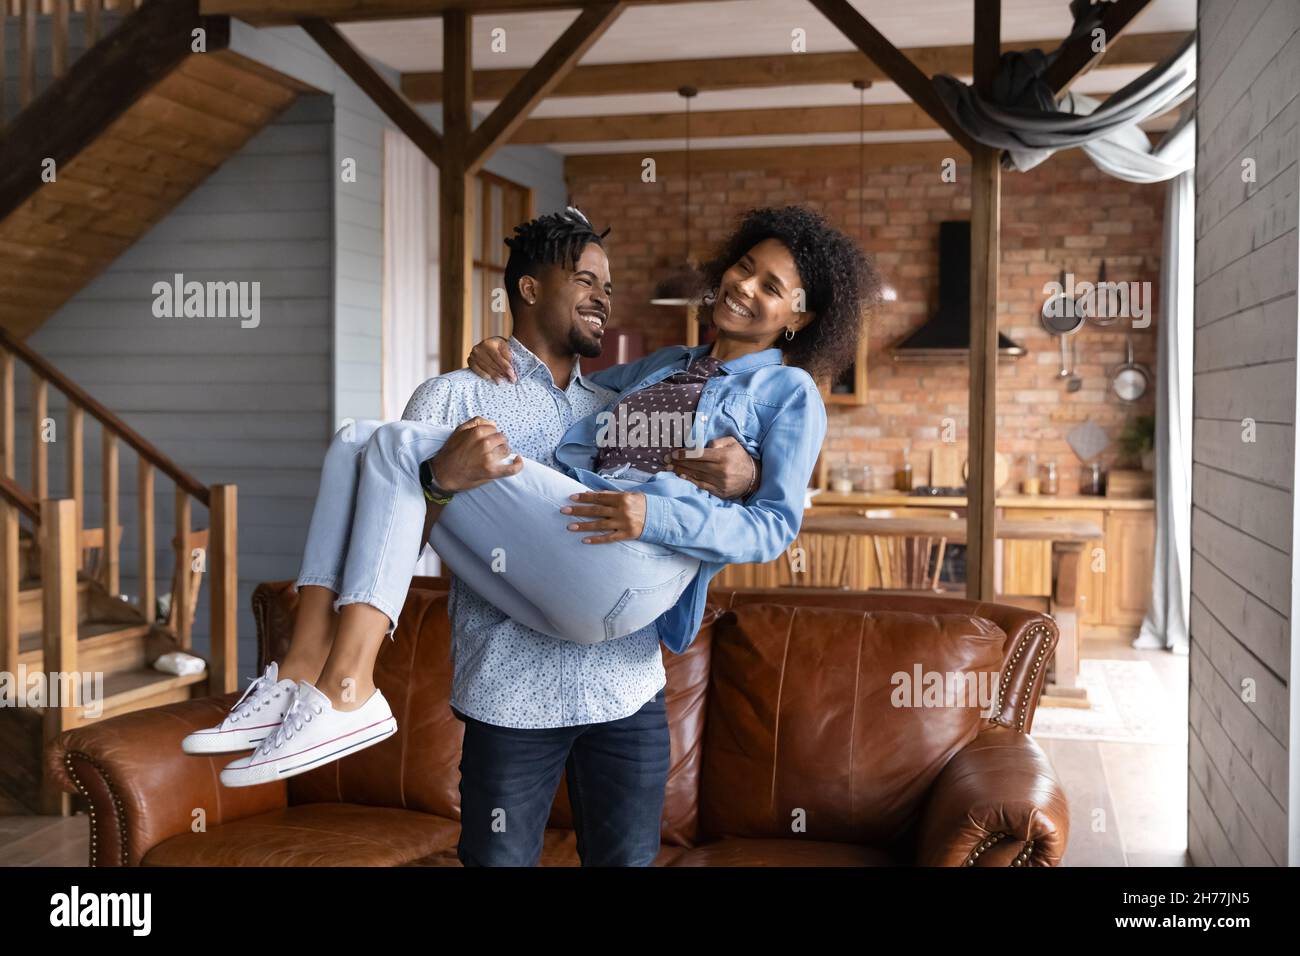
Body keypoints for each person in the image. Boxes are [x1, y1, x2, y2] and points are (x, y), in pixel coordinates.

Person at [182, 204, 879, 865]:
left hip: (623, 663)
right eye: (586, 282)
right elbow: (402, 533)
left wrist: (734, 482)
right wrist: (441, 475)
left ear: (799, 315)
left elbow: (775, 523)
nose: (604, 298)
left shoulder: (781, 393)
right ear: (526, 287)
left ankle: (345, 686)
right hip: (511, 691)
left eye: (772, 285)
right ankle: (301, 678)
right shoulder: (631, 377)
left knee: (388, 445)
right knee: (361, 442)